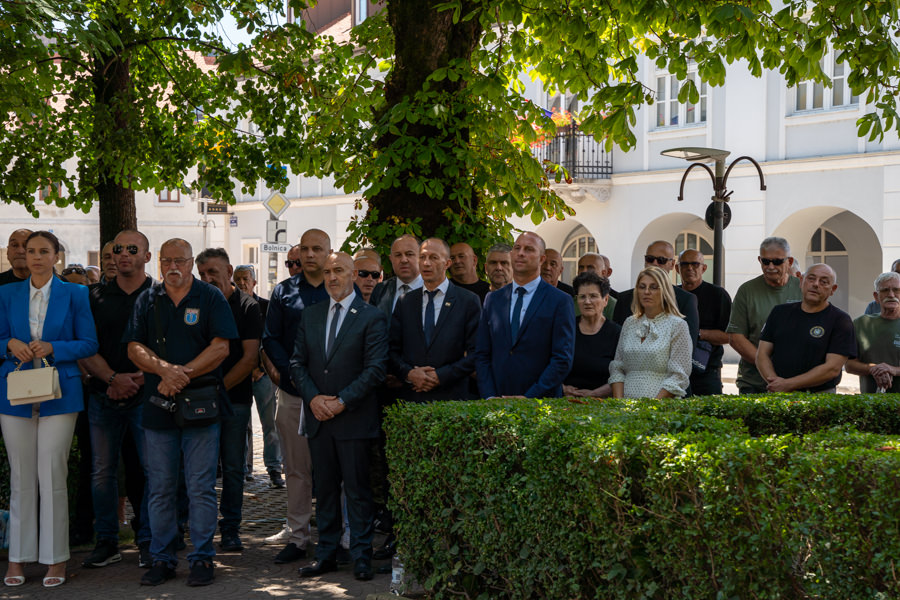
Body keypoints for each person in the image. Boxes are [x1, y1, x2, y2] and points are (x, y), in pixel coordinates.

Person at [126, 238, 238, 587]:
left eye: (180, 260)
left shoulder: (211, 297)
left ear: (191, 263)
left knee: (200, 487)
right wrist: (163, 370)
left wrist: (180, 375)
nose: (172, 266)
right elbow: (134, 347)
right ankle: (162, 558)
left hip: (201, 406)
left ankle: (202, 557)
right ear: (159, 263)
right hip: (158, 406)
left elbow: (221, 348)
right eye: (167, 260)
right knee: (160, 487)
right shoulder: (148, 299)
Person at [0, 230, 98, 588]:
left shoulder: (76, 293)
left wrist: (55, 347)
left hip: (61, 391)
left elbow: (89, 343)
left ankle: (56, 559)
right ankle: (17, 559)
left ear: (56, 256)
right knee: (21, 476)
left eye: (44, 251)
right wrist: (10, 343)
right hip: (15, 390)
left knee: (53, 474)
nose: (36, 257)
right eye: (31, 251)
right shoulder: (6, 293)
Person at [291, 252, 388, 582]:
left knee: (358, 492)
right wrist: (313, 398)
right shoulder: (311, 314)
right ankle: (326, 554)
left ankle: (361, 556)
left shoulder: (372, 317)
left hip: (354, 418)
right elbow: (297, 363)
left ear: (353, 275)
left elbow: (375, 369)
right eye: (328, 272)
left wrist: (342, 401)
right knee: (326, 491)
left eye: (339, 271)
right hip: (319, 418)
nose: (332, 277)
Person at [80, 230, 154, 570]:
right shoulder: (93, 296)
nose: (123, 254)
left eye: (132, 249)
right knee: (102, 472)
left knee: (151, 471)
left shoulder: (159, 296)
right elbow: (83, 345)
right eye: (118, 249)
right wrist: (112, 378)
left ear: (146, 256)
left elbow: (168, 345)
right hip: (103, 395)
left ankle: (149, 539)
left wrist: (141, 377)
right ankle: (106, 541)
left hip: (147, 396)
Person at [261, 229, 330, 563]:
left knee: (333, 471)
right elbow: (271, 338)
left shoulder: (340, 289)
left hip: (332, 396)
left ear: (329, 252)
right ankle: (298, 536)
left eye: (317, 248)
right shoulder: (283, 291)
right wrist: (291, 375)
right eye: (305, 249)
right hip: (293, 394)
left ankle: (334, 537)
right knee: (296, 470)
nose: (310, 254)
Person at [196, 249, 262, 553]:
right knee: (201, 468)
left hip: (234, 400)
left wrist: (217, 388)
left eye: (213, 272)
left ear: (229, 270)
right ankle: (199, 527)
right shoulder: (197, 302)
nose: (207, 278)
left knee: (234, 468)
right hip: (198, 400)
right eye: (202, 274)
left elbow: (249, 359)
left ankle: (231, 528)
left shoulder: (248, 306)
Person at [474, 231, 575, 398]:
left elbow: (562, 359)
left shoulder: (560, 301)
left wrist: (530, 397)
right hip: (496, 399)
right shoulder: (493, 300)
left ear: (542, 259)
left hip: (541, 402)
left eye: (529, 249)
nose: (521, 253)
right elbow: (482, 354)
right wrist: (490, 396)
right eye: (517, 248)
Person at [390, 238, 481, 402]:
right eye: (422, 257)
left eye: (433, 258)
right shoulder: (406, 302)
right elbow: (391, 350)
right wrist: (409, 374)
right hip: (412, 399)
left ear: (447, 263)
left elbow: (477, 352)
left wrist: (441, 376)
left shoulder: (467, 301)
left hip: (452, 399)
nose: (426, 263)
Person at [756, 264, 855, 393]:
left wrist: (788, 384)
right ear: (801, 281)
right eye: (811, 279)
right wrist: (775, 383)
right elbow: (762, 354)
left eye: (824, 282)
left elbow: (832, 368)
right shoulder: (779, 312)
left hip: (819, 396)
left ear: (833, 289)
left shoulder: (840, 320)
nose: (816, 284)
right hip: (777, 390)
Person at [726, 237, 803, 394]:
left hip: (797, 381)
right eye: (765, 261)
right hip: (754, 383)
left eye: (777, 261)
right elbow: (736, 337)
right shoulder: (747, 291)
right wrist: (768, 370)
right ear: (759, 260)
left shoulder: (802, 289)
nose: (771, 267)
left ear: (789, 261)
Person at [233, 264, 284, 488]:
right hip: (239, 374)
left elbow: (271, 339)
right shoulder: (230, 306)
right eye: (238, 279)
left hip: (263, 375)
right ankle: (245, 469)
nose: (242, 283)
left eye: (246, 278)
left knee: (270, 424)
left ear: (254, 282)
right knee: (241, 424)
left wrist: (261, 368)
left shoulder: (266, 306)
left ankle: (274, 468)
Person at [608, 266, 692, 399]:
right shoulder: (629, 323)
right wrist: (619, 403)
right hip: (626, 406)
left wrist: (653, 406)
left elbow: (679, 375)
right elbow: (617, 368)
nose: (646, 292)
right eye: (642, 287)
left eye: (653, 287)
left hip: (661, 406)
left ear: (664, 291)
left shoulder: (677, 325)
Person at [612, 241, 699, 346]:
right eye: (650, 259)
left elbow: (688, 345)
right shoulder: (625, 299)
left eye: (661, 260)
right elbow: (617, 342)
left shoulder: (686, 300)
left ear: (672, 264)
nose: (654, 263)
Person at [677, 249, 732, 395]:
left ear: (704, 268)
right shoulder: (671, 294)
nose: (689, 268)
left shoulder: (718, 295)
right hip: (674, 370)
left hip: (707, 371)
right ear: (677, 268)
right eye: (684, 264)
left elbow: (730, 336)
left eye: (695, 264)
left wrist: (698, 333)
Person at [562, 271, 621, 398]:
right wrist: (562, 388)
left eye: (593, 296)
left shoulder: (617, 333)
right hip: (565, 400)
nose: (587, 301)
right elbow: (550, 363)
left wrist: (595, 394)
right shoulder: (565, 328)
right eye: (582, 297)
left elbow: (622, 374)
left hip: (603, 402)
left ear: (605, 300)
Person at [847, 272, 900, 392]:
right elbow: (849, 365)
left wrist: (894, 370)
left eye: (897, 290)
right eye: (885, 290)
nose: (891, 295)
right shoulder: (861, 324)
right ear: (876, 296)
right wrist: (873, 369)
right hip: (870, 400)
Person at [370, 234, 423, 315]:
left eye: (409, 254)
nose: (403, 260)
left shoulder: (434, 289)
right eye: (398, 255)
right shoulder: (379, 290)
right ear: (391, 259)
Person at [575, 252, 617, 319]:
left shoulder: (613, 305)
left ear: (603, 273)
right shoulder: (569, 302)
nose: (584, 271)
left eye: (590, 268)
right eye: (581, 267)